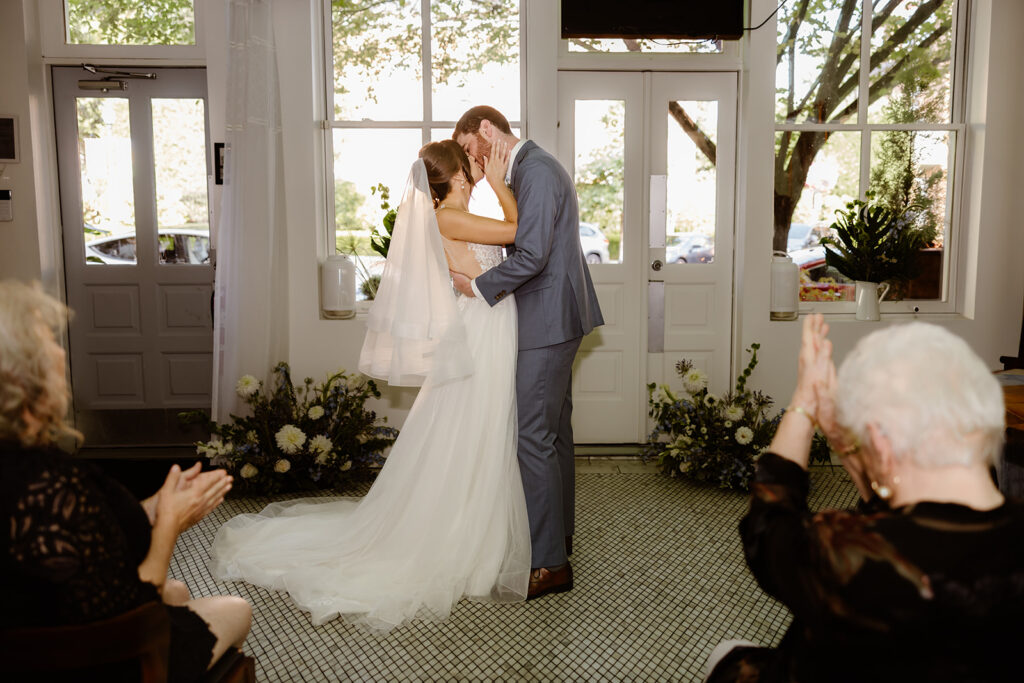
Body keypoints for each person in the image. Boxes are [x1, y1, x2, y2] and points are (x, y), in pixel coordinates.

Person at [209, 140, 532, 632]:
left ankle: (472, 530)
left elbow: (502, 246)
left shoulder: (454, 215)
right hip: (484, 332)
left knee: (474, 431)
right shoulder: (448, 217)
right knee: (474, 431)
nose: (473, 172)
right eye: (468, 169)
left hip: (487, 326)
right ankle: (462, 537)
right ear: (456, 179)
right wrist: (500, 182)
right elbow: (517, 231)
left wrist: (490, 186)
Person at [705, 315, 1024, 682]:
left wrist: (803, 405)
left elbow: (769, 527)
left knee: (726, 653)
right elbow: (899, 503)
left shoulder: (854, 555)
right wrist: (846, 442)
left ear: (882, 445)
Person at [0, 280, 251, 682]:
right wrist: (169, 526)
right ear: (20, 375)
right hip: (102, 657)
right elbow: (133, 613)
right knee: (236, 607)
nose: (61, 352)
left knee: (181, 592)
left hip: (34, 620)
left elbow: (76, 536)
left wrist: (152, 508)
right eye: (49, 341)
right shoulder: (51, 484)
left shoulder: (33, 466)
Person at [452, 105, 604, 599]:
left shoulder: (534, 171)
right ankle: (558, 537)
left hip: (547, 319)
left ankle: (550, 564)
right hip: (559, 314)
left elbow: (533, 253)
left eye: (469, 149)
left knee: (532, 437)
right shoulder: (534, 168)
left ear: (488, 132)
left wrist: (477, 288)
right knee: (555, 432)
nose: (470, 163)